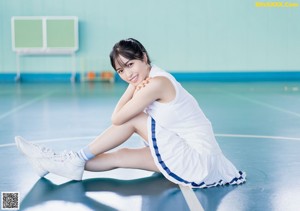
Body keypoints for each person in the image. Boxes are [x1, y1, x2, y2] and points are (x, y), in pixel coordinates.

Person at [15, 38, 246, 188]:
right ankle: (52, 162)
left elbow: (118, 118)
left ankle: (76, 157)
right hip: (184, 149)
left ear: (143, 57)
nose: (127, 73)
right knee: (121, 155)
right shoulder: (146, 80)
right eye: (120, 70)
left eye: (130, 64)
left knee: (134, 118)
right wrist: (133, 85)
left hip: (197, 158)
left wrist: (132, 87)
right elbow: (118, 115)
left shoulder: (156, 83)